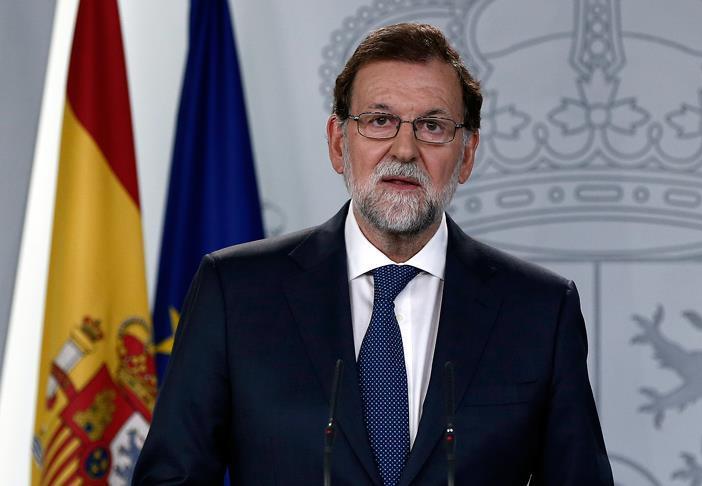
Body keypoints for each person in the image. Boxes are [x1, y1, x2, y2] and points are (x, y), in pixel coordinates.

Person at [133, 23, 613, 485]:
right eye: (380, 121)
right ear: (338, 143)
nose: (404, 149)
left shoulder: (539, 310)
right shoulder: (236, 291)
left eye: (432, 126)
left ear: (466, 155)